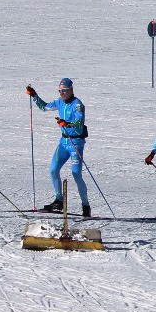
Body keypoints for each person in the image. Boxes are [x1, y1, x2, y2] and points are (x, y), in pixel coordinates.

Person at [26, 78, 90, 217]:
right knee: (53, 170)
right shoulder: (59, 102)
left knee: (76, 173)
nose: (62, 94)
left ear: (71, 90)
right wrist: (34, 95)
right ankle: (58, 200)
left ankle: (85, 205)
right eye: (60, 91)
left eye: (64, 91)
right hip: (64, 142)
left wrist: (67, 124)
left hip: (76, 143)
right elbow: (45, 107)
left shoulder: (77, 104)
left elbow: (79, 122)